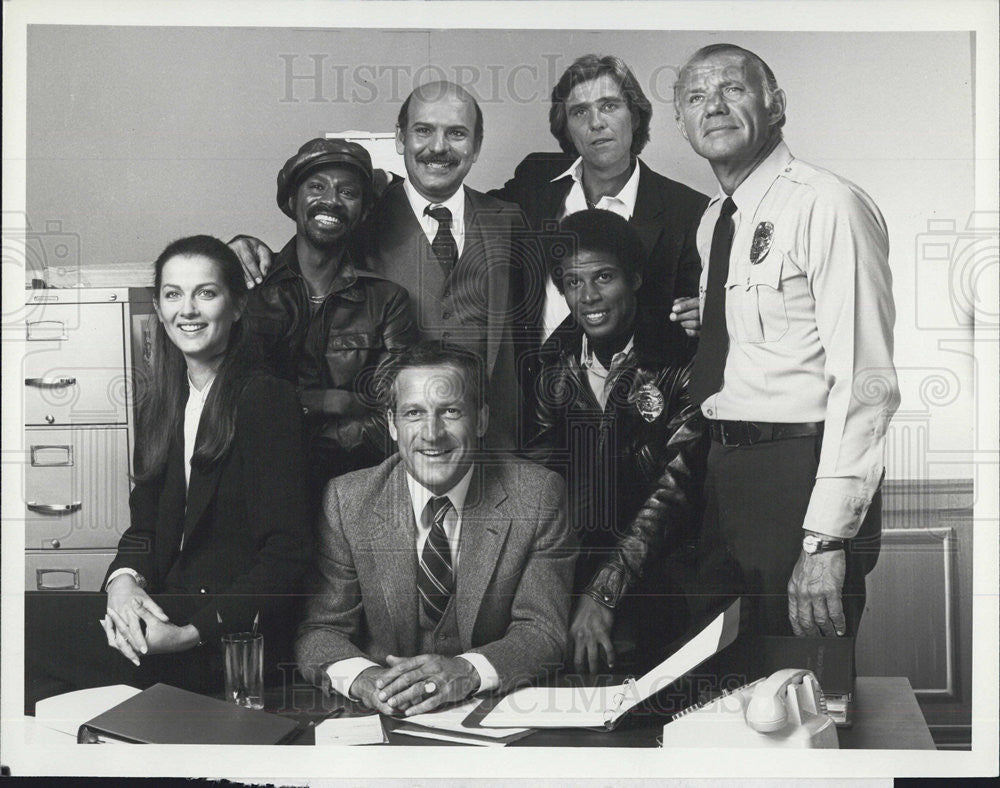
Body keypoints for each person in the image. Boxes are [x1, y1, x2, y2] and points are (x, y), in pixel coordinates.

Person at [672, 44, 899, 641]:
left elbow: (866, 379)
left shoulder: (826, 203)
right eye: (696, 97)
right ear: (682, 121)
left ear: (776, 105)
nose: (713, 106)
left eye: (733, 90)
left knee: (802, 698)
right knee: (719, 690)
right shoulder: (714, 221)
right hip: (723, 470)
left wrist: (826, 537)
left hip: (797, 471)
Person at [29, 236, 311, 700]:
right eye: (173, 294)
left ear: (237, 307)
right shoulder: (161, 403)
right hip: (162, 610)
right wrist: (122, 585)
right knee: (28, 644)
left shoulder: (265, 399)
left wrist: (189, 634)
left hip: (228, 635)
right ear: (158, 310)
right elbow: (142, 531)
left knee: (27, 639)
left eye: (207, 292)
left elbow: (286, 555)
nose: (189, 310)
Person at [230, 83, 521, 448]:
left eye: (457, 133)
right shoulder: (359, 214)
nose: (439, 147)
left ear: (476, 146)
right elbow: (308, 255)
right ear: (400, 138)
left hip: (494, 449)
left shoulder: (508, 220)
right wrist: (240, 251)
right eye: (423, 130)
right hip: (393, 453)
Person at [295, 341, 576, 715]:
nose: (432, 432)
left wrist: (467, 670)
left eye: (451, 411)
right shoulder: (347, 501)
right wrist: (369, 683)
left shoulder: (537, 495)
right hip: (383, 717)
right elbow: (320, 632)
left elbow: (543, 631)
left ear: (482, 420)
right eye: (414, 412)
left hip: (494, 715)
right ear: (393, 425)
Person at [525, 209, 708, 674]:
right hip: (574, 571)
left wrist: (606, 591)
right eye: (572, 282)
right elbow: (542, 485)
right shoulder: (550, 365)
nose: (587, 297)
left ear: (636, 278)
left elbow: (674, 491)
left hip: (664, 573)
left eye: (603, 277)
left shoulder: (681, 361)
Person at [489, 54, 709, 417]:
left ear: (634, 115)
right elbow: (475, 210)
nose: (596, 123)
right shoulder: (534, 181)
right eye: (579, 111)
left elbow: (698, 316)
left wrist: (709, 314)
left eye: (609, 106)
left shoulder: (687, 211)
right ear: (566, 128)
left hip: (625, 413)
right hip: (523, 402)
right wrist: (385, 186)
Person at [243, 138, 416, 496]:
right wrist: (325, 401)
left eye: (348, 192)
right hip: (256, 486)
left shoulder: (387, 301)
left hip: (356, 488)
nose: (332, 200)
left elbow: (398, 415)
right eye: (317, 187)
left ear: (364, 211)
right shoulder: (250, 290)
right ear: (293, 200)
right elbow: (229, 400)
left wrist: (308, 438)